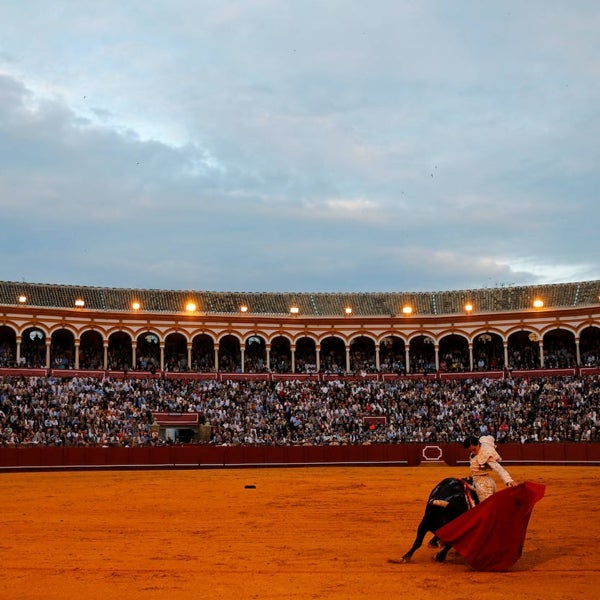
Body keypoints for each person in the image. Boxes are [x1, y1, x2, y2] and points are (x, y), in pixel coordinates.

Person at [462, 435, 516, 501]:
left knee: (486, 508)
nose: (473, 452)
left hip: (484, 487)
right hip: (484, 482)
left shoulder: (485, 453)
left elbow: (498, 468)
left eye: (474, 450)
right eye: (470, 451)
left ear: (478, 444)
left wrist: (509, 480)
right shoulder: (482, 445)